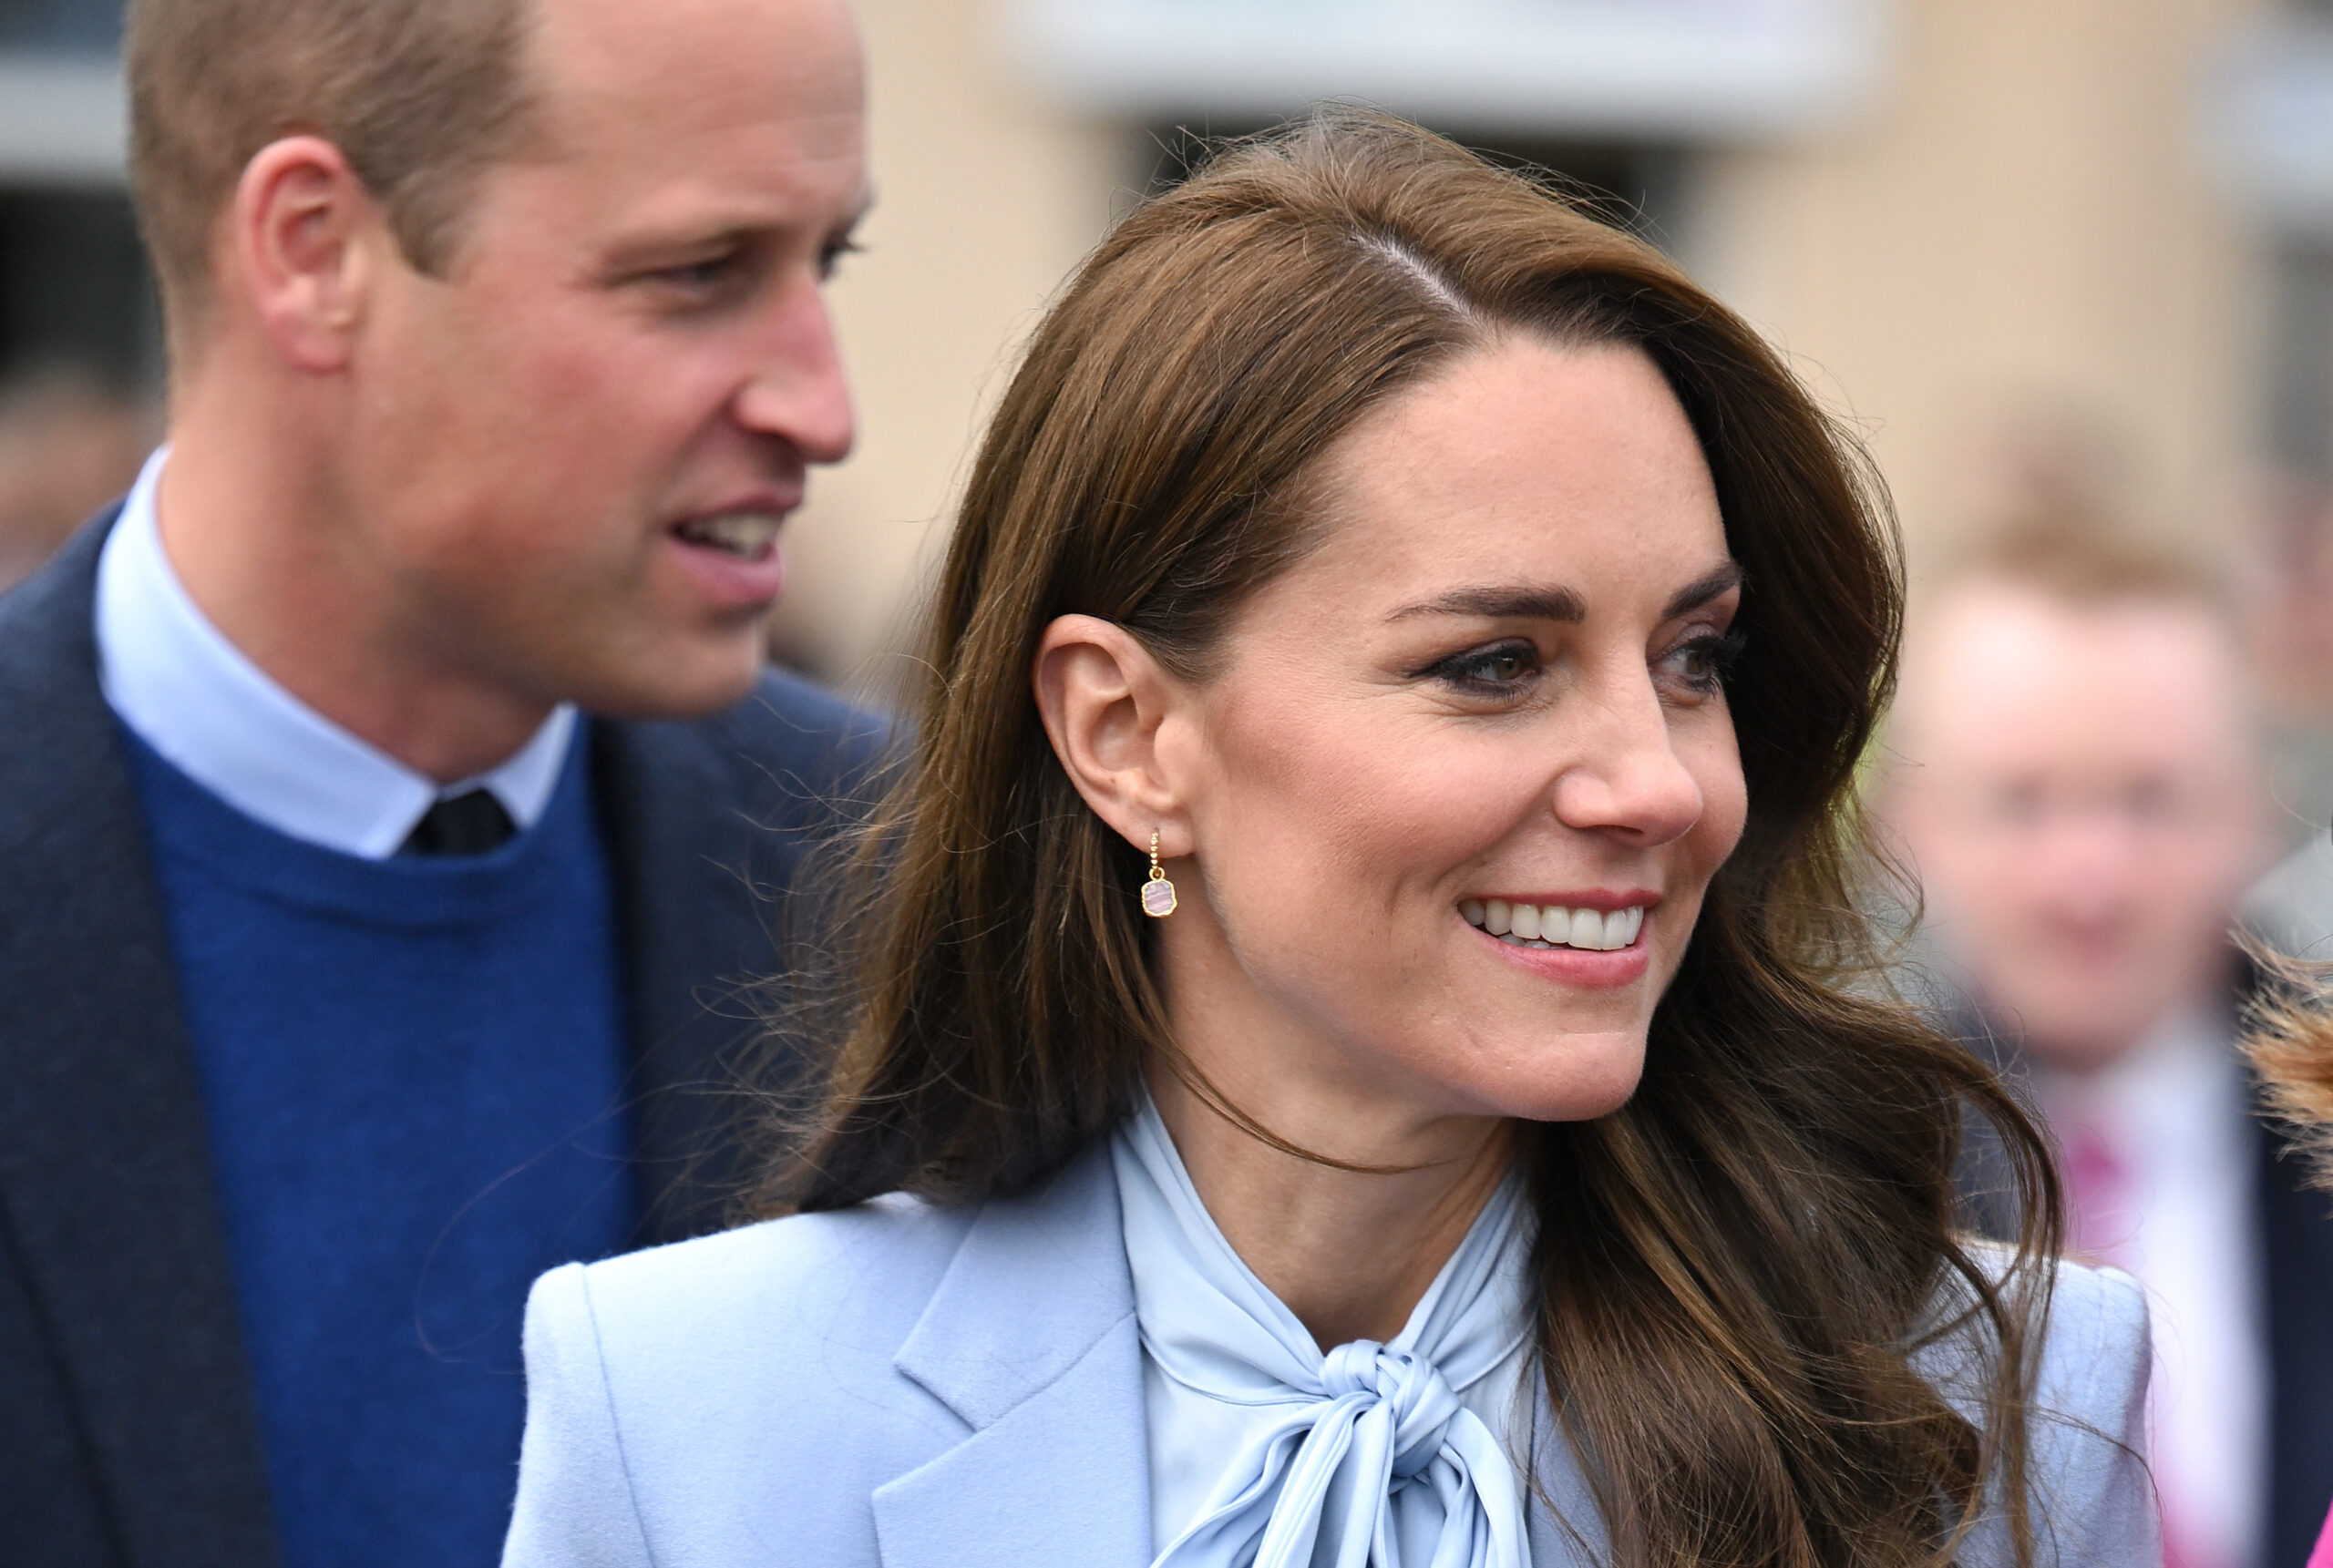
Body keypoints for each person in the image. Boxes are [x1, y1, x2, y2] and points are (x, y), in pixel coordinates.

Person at [501, 113, 2151, 1567]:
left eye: (1691, 659)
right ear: (1127, 736)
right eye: (1494, 665)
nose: (1654, 784)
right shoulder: (690, 1424)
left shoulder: (2002, 1408)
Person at [0, 0, 878, 1564]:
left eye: (827, 265)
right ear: (315, 250)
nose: (821, 406)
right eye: (699, 276)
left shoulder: (905, 888)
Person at [1880, 518, 2333, 1568]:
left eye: (2148, 799)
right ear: (1909, 825)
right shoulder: (1821, 1182)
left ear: (2254, 813)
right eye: (2020, 800)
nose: (2088, 876)